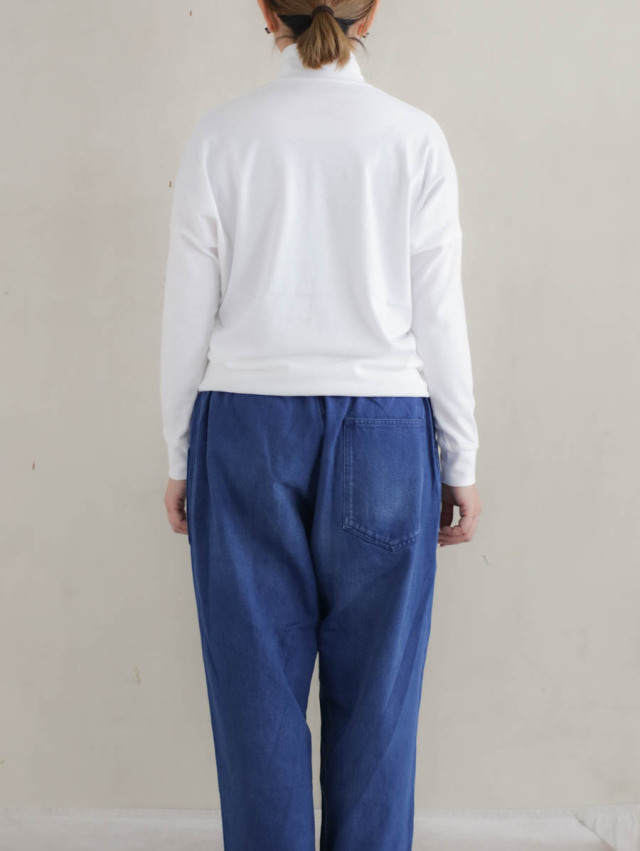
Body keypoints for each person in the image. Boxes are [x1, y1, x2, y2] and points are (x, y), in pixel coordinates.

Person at [160, 1, 481, 848]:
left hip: (244, 428)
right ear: (372, 11)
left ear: (265, 10)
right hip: (388, 431)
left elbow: (186, 313)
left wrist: (180, 452)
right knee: (379, 706)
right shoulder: (413, 138)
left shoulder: (221, 137)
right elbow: (439, 313)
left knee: (254, 702)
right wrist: (461, 459)